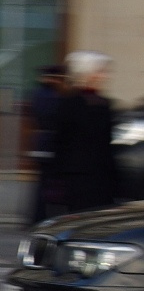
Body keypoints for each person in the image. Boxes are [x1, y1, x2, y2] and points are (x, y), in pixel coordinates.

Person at [50, 50, 118, 214]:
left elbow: (107, 145)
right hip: (78, 178)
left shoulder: (104, 104)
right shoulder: (69, 104)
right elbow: (61, 143)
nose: (105, 76)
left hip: (100, 178)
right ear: (88, 74)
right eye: (100, 72)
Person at [27, 63, 66, 223]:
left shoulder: (37, 94)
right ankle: (43, 217)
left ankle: (37, 217)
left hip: (40, 143)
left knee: (41, 184)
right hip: (49, 145)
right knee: (47, 185)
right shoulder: (53, 97)